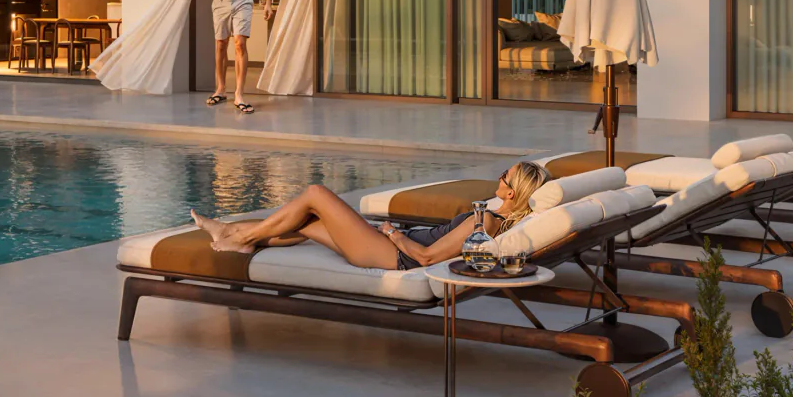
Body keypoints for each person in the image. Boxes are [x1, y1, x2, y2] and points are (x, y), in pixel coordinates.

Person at [190, 161, 550, 271]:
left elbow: (426, 257)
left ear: (512, 191)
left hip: (393, 255)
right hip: (393, 246)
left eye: (505, 175)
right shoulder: (492, 212)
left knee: (316, 195)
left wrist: (393, 234)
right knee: (308, 224)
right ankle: (233, 234)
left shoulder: (486, 222)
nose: (499, 175)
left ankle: (238, 236)